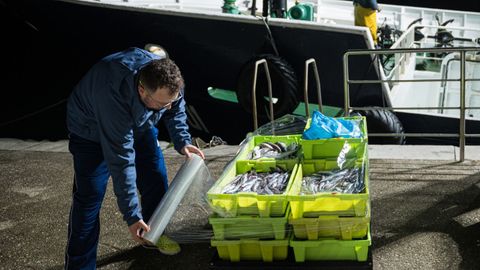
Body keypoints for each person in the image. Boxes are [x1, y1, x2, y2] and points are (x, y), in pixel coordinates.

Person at [64, 47, 205, 269]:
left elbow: (176, 108)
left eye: (172, 99)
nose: (167, 106)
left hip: (139, 122)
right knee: (89, 197)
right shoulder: (112, 94)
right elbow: (121, 161)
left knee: (156, 175)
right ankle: (79, 265)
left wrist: (182, 141)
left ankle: (155, 232)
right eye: (162, 104)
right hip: (89, 131)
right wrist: (131, 216)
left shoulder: (168, 79)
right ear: (142, 90)